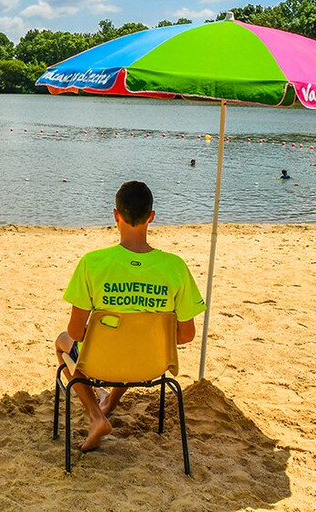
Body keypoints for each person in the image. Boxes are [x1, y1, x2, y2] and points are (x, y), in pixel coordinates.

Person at [55, 180, 205, 453]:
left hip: (102, 364)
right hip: (151, 365)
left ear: (116, 216)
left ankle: (96, 416)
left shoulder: (93, 263)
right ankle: (110, 402)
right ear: (151, 217)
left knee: (62, 341)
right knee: (136, 339)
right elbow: (186, 335)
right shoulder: (175, 267)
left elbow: (76, 333)